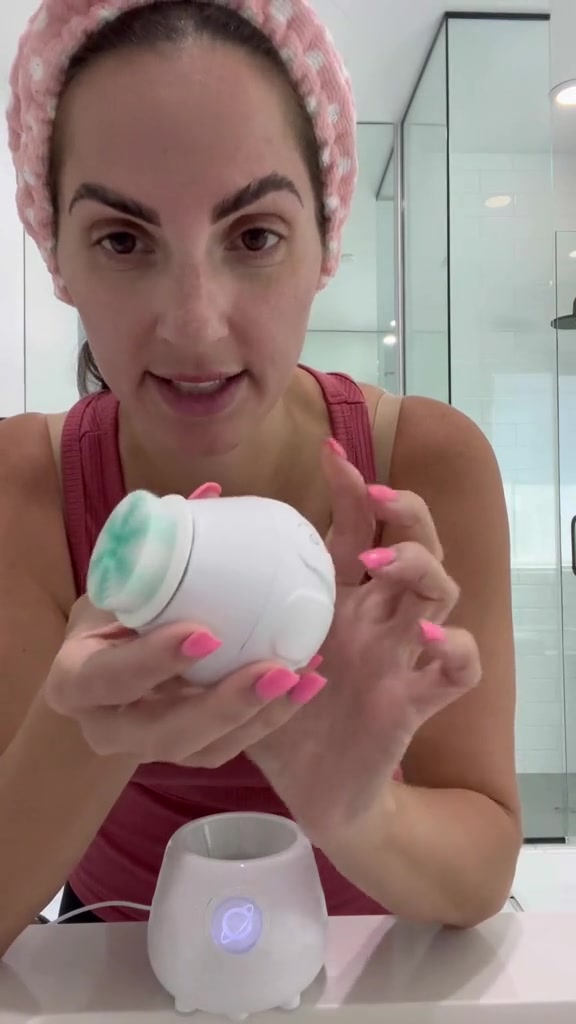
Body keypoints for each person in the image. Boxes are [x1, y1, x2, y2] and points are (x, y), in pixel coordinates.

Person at [0, 0, 520, 954]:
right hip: (111, 969)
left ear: (325, 240)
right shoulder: (19, 486)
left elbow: (483, 872)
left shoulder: (426, 466)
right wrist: (89, 720)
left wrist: (352, 805)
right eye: (123, 240)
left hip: (369, 974)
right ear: (57, 257)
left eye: (253, 236)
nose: (194, 325)